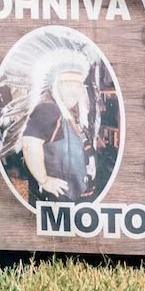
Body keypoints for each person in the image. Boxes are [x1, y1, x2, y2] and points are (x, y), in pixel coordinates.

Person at [21, 67, 95, 202]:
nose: (74, 90)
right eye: (68, 84)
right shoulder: (48, 109)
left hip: (72, 197)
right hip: (58, 198)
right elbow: (29, 145)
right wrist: (44, 180)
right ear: (56, 85)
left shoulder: (66, 111)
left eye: (78, 85)